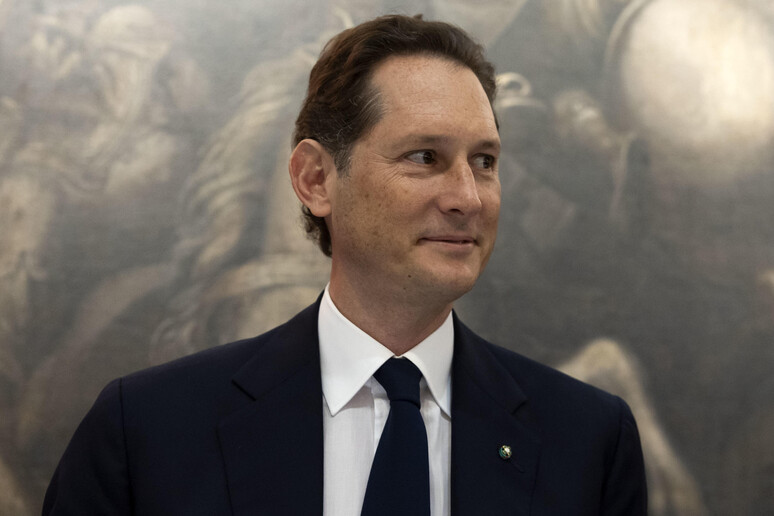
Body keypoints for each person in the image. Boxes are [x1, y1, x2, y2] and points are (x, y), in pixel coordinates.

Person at [43, 14, 647, 515]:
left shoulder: (588, 441)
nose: (468, 197)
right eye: (425, 157)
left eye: (484, 161)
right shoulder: (146, 432)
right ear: (316, 180)